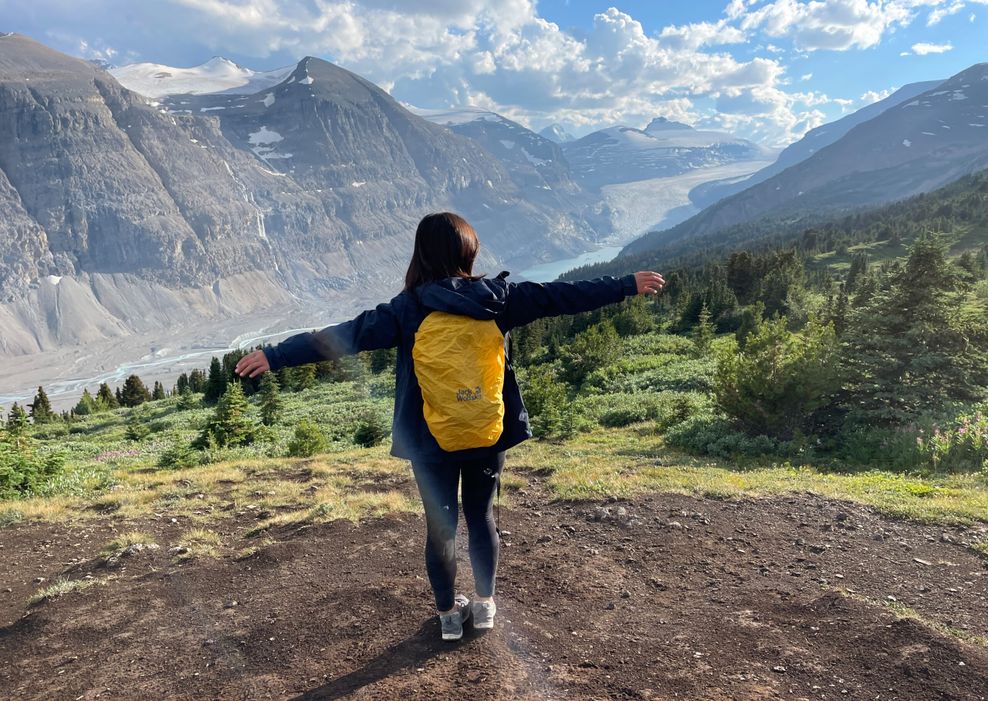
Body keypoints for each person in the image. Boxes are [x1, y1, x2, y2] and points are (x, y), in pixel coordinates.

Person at [235, 212, 665, 641]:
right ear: (468, 250)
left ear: (420, 254)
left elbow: (345, 335)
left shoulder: (406, 309)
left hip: (427, 439)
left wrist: (277, 355)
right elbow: (561, 296)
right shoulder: (500, 298)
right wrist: (625, 285)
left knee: (440, 525)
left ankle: (447, 616)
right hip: (486, 431)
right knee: (481, 517)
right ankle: (485, 606)